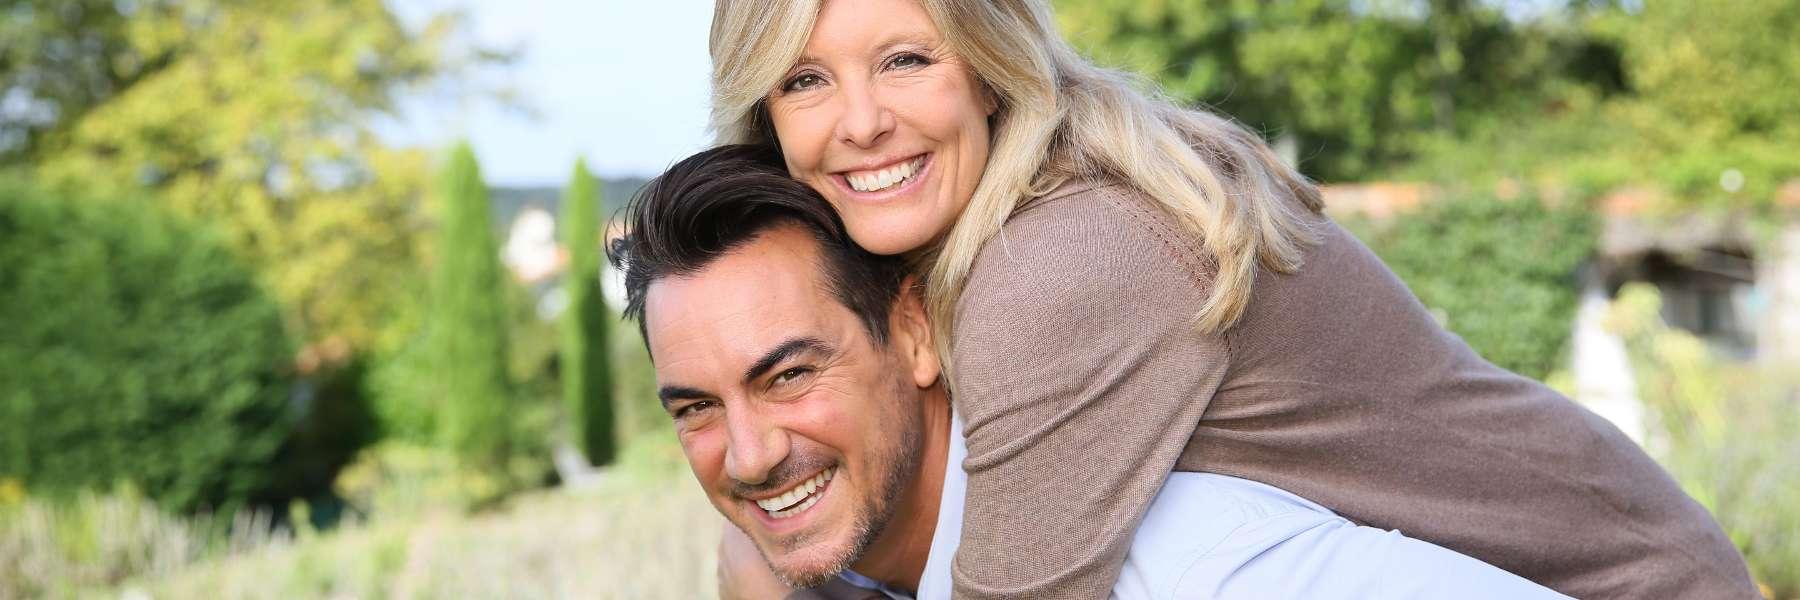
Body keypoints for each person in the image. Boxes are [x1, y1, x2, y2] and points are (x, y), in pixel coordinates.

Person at [704, 0, 1759, 598]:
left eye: (903, 60)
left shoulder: (1059, 264)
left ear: (987, 68)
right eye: (804, 81)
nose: (860, 122)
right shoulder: (992, 223)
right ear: (764, 115)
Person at [610, 144, 1569, 600]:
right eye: (695, 406)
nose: (748, 453)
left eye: (788, 376)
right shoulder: (857, 577)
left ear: (914, 335)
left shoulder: (1190, 563)